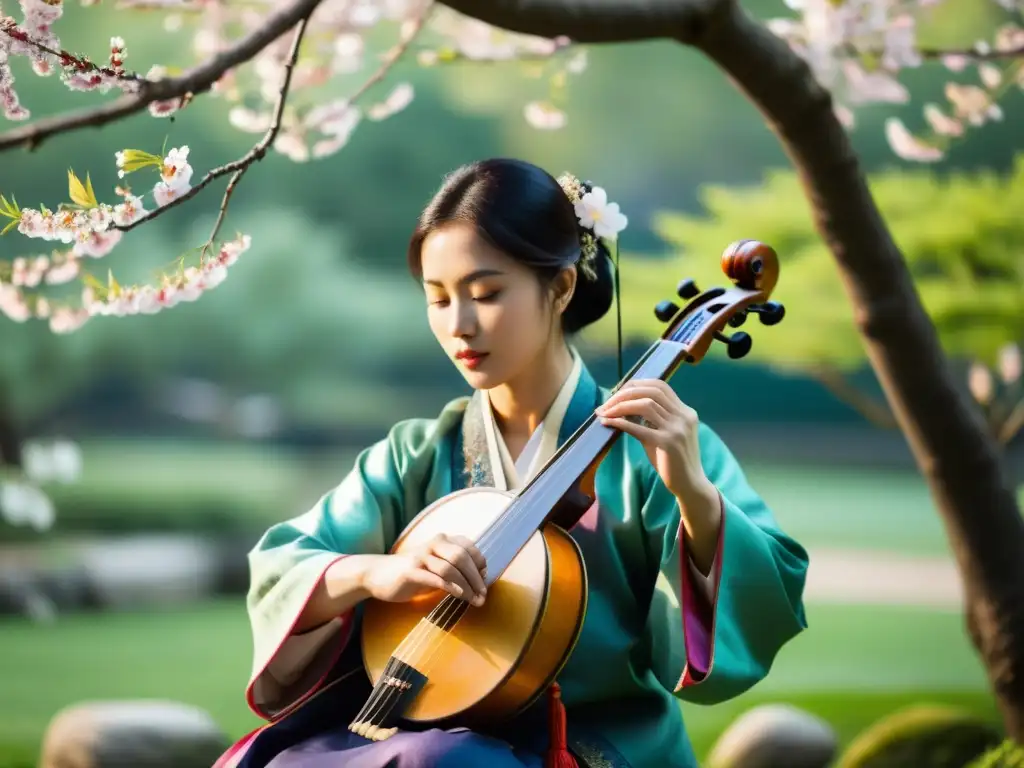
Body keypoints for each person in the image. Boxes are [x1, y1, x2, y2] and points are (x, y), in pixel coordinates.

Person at [214, 158, 810, 768]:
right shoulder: (416, 452)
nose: (459, 326)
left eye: (486, 294)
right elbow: (283, 568)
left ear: (561, 287)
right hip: (417, 728)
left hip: (591, 743)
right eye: (438, 299)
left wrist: (693, 493)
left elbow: (758, 595)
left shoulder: (656, 444)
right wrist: (376, 573)